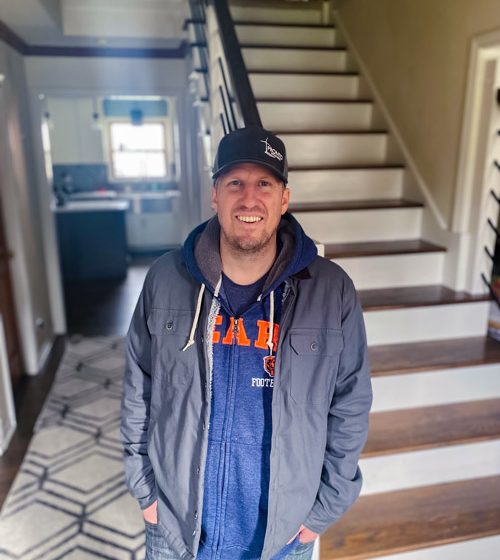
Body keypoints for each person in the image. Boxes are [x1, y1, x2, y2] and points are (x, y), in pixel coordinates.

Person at [120, 126, 373, 560]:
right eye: (235, 182)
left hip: (282, 537)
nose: (249, 199)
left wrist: (319, 515)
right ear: (215, 195)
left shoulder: (331, 292)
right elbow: (137, 388)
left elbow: (349, 406)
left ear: (284, 199)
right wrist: (146, 494)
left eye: (264, 184)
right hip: (178, 529)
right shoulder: (166, 279)